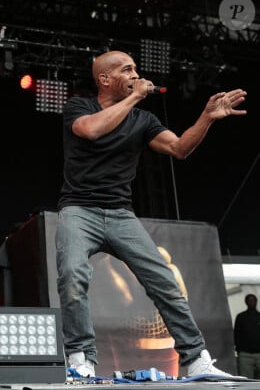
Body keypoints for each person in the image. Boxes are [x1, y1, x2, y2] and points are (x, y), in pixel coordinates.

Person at [55, 50, 247, 378]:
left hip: (120, 214)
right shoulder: (79, 107)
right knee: (73, 275)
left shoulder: (144, 121)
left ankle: (197, 359)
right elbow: (91, 131)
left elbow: (179, 148)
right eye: (127, 70)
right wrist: (135, 98)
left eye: (135, 69)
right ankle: (80, 359)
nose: (135, 74)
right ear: (105, 79)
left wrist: (206, 117)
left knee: (165, 281)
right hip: (79, 210)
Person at [234, 294, 260, 378]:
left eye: (253, 300)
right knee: (247, 380)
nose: (251, 302)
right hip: (245, 355)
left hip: (259, 353)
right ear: (246, 302)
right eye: (249, 300)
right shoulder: (241, 317)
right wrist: (239, 350)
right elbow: (236, 334)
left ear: (256, 301)